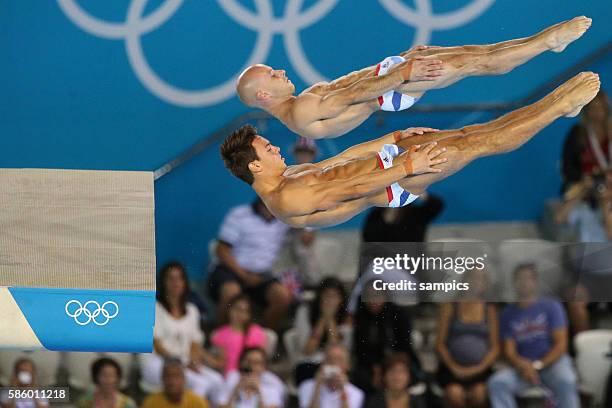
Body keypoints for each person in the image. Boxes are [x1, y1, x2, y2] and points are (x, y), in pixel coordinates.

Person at [221, 72, 601, 228]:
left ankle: (556, 106)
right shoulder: (285, 199)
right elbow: (348, 189)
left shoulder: (288, 178)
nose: (275, 147)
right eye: (267, 148)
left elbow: (339, 164)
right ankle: (557, 107)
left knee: (473, 131)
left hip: (386, 165)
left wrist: (391, 139)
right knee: (477, 143)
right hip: (391, 183)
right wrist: (406, 166)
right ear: (254, 166)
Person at [236, 17, 591, 139]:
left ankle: (545, 42)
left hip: (387, 77)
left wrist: (400, 61)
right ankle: (548, 42)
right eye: (272, 74)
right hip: (392, 89)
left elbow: (348, 83)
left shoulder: (302, 104)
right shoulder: (301, 112)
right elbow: (356, 95)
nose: (280, 71)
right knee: (476, 64)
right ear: (264, 96)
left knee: (475, 53)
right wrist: (404, 72)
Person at [487, 263, 580, 408]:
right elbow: (509, 351)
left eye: (528, 278)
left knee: (566, 380)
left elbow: (561, 345)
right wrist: (523, 365)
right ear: (514, 283)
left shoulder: (552, 306)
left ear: (535, 282)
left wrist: (537, 366)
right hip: (522, 368)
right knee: (497, 383)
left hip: (553, 363)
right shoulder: (507, 313)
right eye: (519, 279)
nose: (523, 282)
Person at [140, 262, 224, 403]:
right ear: (163, 282)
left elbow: (194, 343)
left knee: (217, 380)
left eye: (179, 278)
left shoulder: (192, 310)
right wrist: (181, 364)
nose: (176, 283)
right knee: (200, 383)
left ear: (185, 282)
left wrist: (193, 361)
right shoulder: (154, 307)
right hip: (157, 362)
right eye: (171, 278)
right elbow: (157, 345)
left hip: (183, 362)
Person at [208, 198, 292, 330]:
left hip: (262, 274)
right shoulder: (239, 215)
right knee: (231, 291)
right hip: (232, 270)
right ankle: (221, 340)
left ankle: (263, 341)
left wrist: (308, 232)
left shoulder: (285, 217)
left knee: (282, 296)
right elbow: (221, 250)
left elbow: (309, 220)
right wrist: (244, 276)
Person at [435, 268, 499, 408]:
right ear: (464, 280)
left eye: (481, 278)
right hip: (452, 369)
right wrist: (454, 367)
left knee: (479, 394)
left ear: (485, 284)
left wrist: (478, 368)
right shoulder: (450, 306)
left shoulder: (490, 310)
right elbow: (440, 344)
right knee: (454, 394)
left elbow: (495, 347)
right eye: (473, 277)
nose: (476, 282)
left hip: (480, 369)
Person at [352, 283, 423, 396]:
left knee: (400, 377)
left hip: (398, 360)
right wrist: (377, 369)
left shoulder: (399, 314)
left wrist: (391, 368)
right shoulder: (362, 317)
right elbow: (361, 350)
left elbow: (404, 346)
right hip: (371, 365)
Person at [294, 278, 351, 385]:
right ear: (319, 297)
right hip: (311, 361)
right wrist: (322, 319)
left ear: (341, 299)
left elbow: (336, 350)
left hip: (336, 365)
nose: (330, 300)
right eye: (326, 295)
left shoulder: (347, 318)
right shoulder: (304, 311)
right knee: (304, 371)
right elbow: (308, 350)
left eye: (334, 296)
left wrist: (330, 320)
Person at [561, 90, 611, 193]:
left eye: (600, 107)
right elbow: (567, 169)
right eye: (593, 108)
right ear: (586, 111)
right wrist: (583, 177)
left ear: (606, 109)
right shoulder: (577, 133)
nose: (597, 112)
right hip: (587, 188)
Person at [211, 294, 268, 375]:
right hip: (233, 374)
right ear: (229, 309)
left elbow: (260, 359)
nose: (240, 314)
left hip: (255, 372)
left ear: (249, 315)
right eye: (237, 309)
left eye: (245, 311)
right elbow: (221, 363)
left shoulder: (256, 331)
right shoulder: (220, 334)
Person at [298, 343, 364, 408]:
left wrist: (343, 390)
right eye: (329, 359)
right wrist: (317, 386)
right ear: (323, 363)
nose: (333, 363)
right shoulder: (306, 386)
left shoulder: (356, 393)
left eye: (339, 359)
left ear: (347, 366)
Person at [218, 347, 286, 408]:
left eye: (256, 363)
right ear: (241, 363)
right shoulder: (232, 379)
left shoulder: (271, 385)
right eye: (248, 361)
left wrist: (259, 393)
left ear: (263, 366)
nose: (251, 366)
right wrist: (236, 391)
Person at [142, 359, 210, 408]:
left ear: (184, 379)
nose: (172, 381)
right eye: (168, 376)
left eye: (176, 376)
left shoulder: (197, 403)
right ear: (162, 379)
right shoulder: (151, 403)